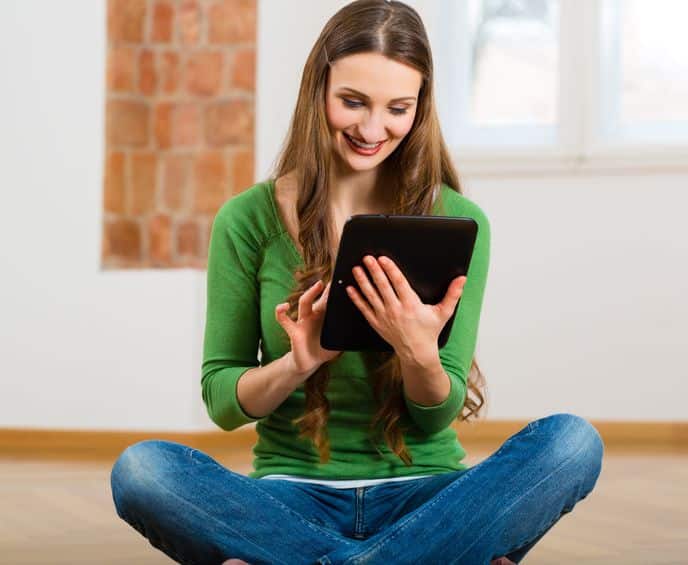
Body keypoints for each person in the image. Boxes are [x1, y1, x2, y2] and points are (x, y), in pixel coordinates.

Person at [109, 1, 604, 563]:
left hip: (428, 497)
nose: (373, 129)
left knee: (572, 443)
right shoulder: (247, 220)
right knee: (142, 469)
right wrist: (298, 362)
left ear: (421, 107)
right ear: (317, 91)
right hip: (289, 499)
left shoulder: (460, 221)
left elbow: (435, 416)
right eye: (352, 102)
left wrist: (418, 353)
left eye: (398, 108)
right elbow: (224, 401)